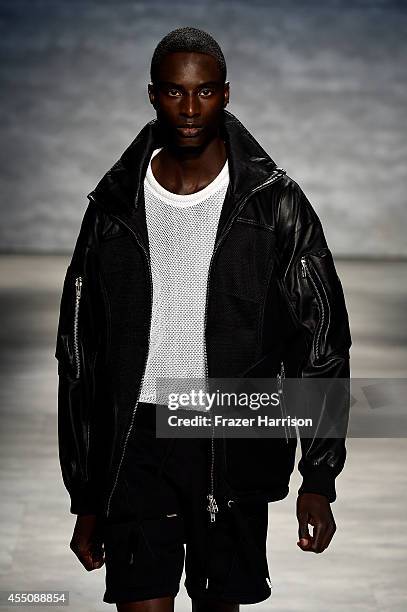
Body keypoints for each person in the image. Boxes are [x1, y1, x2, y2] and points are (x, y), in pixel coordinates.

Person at [55, 26, 352, 612]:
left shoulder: (274, 201)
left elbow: (319, 341)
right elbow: (80, 353)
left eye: (206, 92)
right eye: (174, 92)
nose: (190, 108)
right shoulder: (115, 206)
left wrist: (318, 478)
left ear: (226, 94)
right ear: (152, 95)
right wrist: (87, 493)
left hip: (231, 428)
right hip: (136, 435)